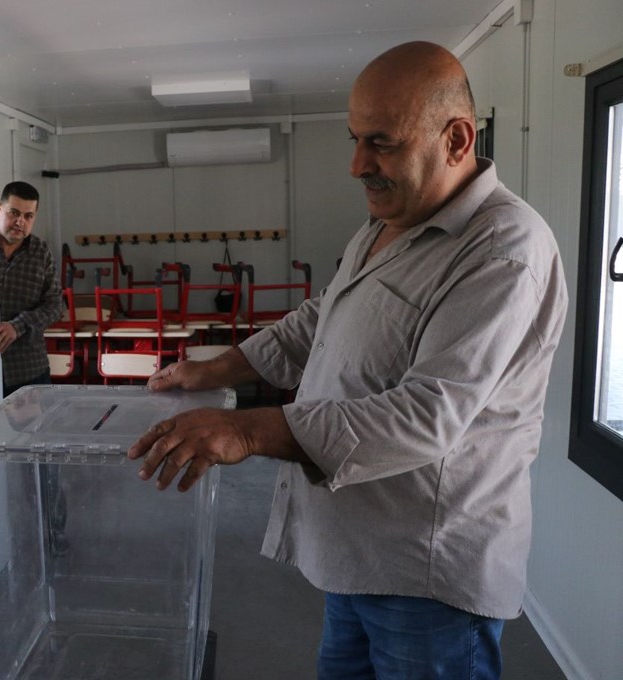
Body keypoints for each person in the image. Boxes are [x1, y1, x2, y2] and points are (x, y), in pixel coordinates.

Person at [126, 41, 567, 680]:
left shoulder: (502, 250)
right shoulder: (390, 220)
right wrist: (217, 369)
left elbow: (427, 415)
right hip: (359, 550)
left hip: (425, 572)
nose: (358, 164)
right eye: (355, 139)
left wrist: (249, 429)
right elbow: (323, 318)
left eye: (381, 143)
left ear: (457, 139)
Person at [0, 181, 64, 397]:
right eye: (13, 213)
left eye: (28, 216)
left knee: (34, 430)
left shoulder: (41, 252)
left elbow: (55, 305)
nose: (19, 222)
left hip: (28, 369)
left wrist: (19, 325)